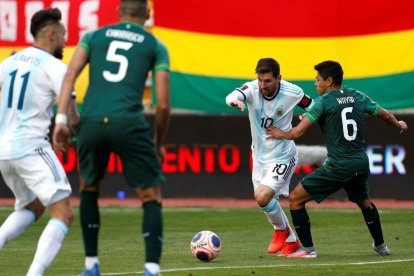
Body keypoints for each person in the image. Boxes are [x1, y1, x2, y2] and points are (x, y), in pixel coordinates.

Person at [52, 0, 170, 275]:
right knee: (150, 195)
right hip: (128, 121)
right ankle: (151, 269)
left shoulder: (93, 36)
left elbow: (69, 75)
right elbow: (163, 105)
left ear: (118, 12)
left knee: (89, 189)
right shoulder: (155, 46)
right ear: (148, 13)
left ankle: (91, 265)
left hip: (91, 121)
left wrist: (60, 119)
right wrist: (159, 143)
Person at [266, 60, 408, 258]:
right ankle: (381, 245)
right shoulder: (357, 96)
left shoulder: (323, 102)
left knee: (296, 199)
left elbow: (297, 133)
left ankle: (308, 250)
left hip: (339, 165)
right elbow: (384, 114)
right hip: (360, 162)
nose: (315, 83)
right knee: (364, 202)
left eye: (317, 79)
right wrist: (399, 124)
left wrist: (279, 133)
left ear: (329, 81)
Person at [0, 8, 77, 275]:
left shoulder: (9, 63)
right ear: (52, 34)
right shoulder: (55, 67)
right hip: (32, 147)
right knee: (64, 214)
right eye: (64, 35)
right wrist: (68, 125)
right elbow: (72, 116)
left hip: (5, 151)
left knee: (33, 205)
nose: (66, 42)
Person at [225, 58, 314, 256]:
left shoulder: (292, 92)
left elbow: (314, 107)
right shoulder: (252, 88)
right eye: (260, 80)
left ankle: (280, 230)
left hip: (283, 156)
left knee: (263, 196)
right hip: (259, 156)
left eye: (267, 81)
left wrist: (304, 121)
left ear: (279, 78)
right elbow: (233, 95)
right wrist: (234, 100)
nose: (263, 85)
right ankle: (291, 241)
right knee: (265, 201)